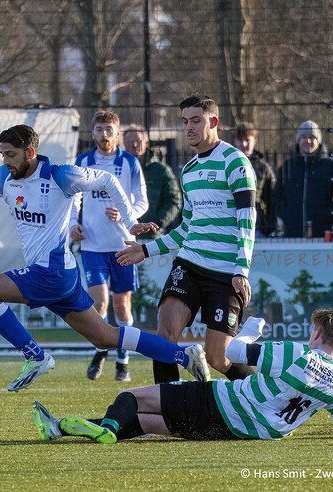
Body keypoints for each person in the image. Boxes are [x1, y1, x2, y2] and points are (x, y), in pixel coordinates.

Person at [0, 124, 211, 392]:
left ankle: (35, 356)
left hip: (52, 272)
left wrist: (130, 221)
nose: (5, 160)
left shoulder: (60, 175)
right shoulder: (4, 177)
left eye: (11, 154)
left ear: (30, 153)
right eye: (2, 154)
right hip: (60, 275)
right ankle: (183, 355)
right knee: (105, 336)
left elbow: (108, 181)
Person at [32, 308, 333, 443]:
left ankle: (105, 428)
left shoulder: (296, 354)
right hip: (243, 433)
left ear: (317, 334)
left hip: (223, 403)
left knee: (131, 397)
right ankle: (61, 427)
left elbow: (232, 353)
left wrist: (249, 330)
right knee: (146, 423)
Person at [116, 93, 257, 385]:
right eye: (184, 122)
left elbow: (247, 220)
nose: (189, 127)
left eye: (196, 120)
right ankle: (166, 410)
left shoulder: (235, 161)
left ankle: (263, 397)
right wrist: (146, 250)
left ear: (213, 121)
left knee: (218, 358)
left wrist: (242, 270)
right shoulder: (189, 170)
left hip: (225, 273)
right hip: (189, 263)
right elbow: (186, 229)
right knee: (164, 337)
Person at [70, 111, 150, 382]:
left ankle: (122, 360)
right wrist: (73, 223)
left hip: (122, 244)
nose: (104, 134)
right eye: (99, 129)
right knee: (99, 303)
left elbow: (142, 201)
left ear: (117, 134)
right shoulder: (83, 161)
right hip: (92, 245)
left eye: (109, 130)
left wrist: (127, 214)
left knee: (121, 305)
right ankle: (102, 347)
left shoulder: (129, 162)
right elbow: (74, 197)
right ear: (92, 133)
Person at [273, 120, 333, 238]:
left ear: (319, 141)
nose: (308, 141)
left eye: (312, 137)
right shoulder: (287, 167)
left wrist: (327, 216)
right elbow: (277, 197)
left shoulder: (331, 167)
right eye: (304, 137)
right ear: (298, 140)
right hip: (293, 233)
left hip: (322, 233)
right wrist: (286, 216)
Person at [123, 124, 181, 240]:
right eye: (130, 142)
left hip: (152, 237)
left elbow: (174, 200)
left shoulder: (161, 170)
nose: (134, 145)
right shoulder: (118, 170)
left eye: (138, 141)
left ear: (146, 143)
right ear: (124, 144)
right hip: (123, 235)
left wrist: (158, 222)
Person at [233, 123, 277, 237]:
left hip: (256, 227)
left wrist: (268, 226)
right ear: (234, 141)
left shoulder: (264, 168)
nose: (243, 144)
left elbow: (272, 199)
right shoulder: (225, 164)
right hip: (229, 226)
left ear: (254, 140)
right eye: (240, 140)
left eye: (247, 140)